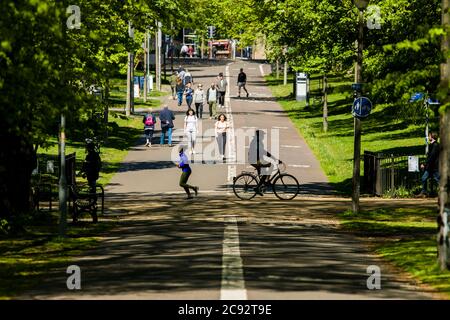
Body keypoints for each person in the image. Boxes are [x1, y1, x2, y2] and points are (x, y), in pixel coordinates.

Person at [248, 130, 281, 196]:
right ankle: (261, 185)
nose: (263, 136)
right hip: (254, 160)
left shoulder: (258, 141)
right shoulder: (256, 142)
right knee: (269, 167)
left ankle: (263, 184)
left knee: (267, 168)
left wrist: (272, 157)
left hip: (255, 159)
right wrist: (273, 158)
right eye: (262, 135)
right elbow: (262, 151)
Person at [417, 132, 440, 197]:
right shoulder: (432, 145)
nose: (428, 137)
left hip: (434, 167)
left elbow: (432, 156)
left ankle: (445, 192)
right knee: (423, 178)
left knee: (438, 180)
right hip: (430, 167)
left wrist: (424, 164)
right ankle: (424, 192)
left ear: (432, 137)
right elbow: (430, 156)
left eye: (429, 136)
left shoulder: (435, 145)